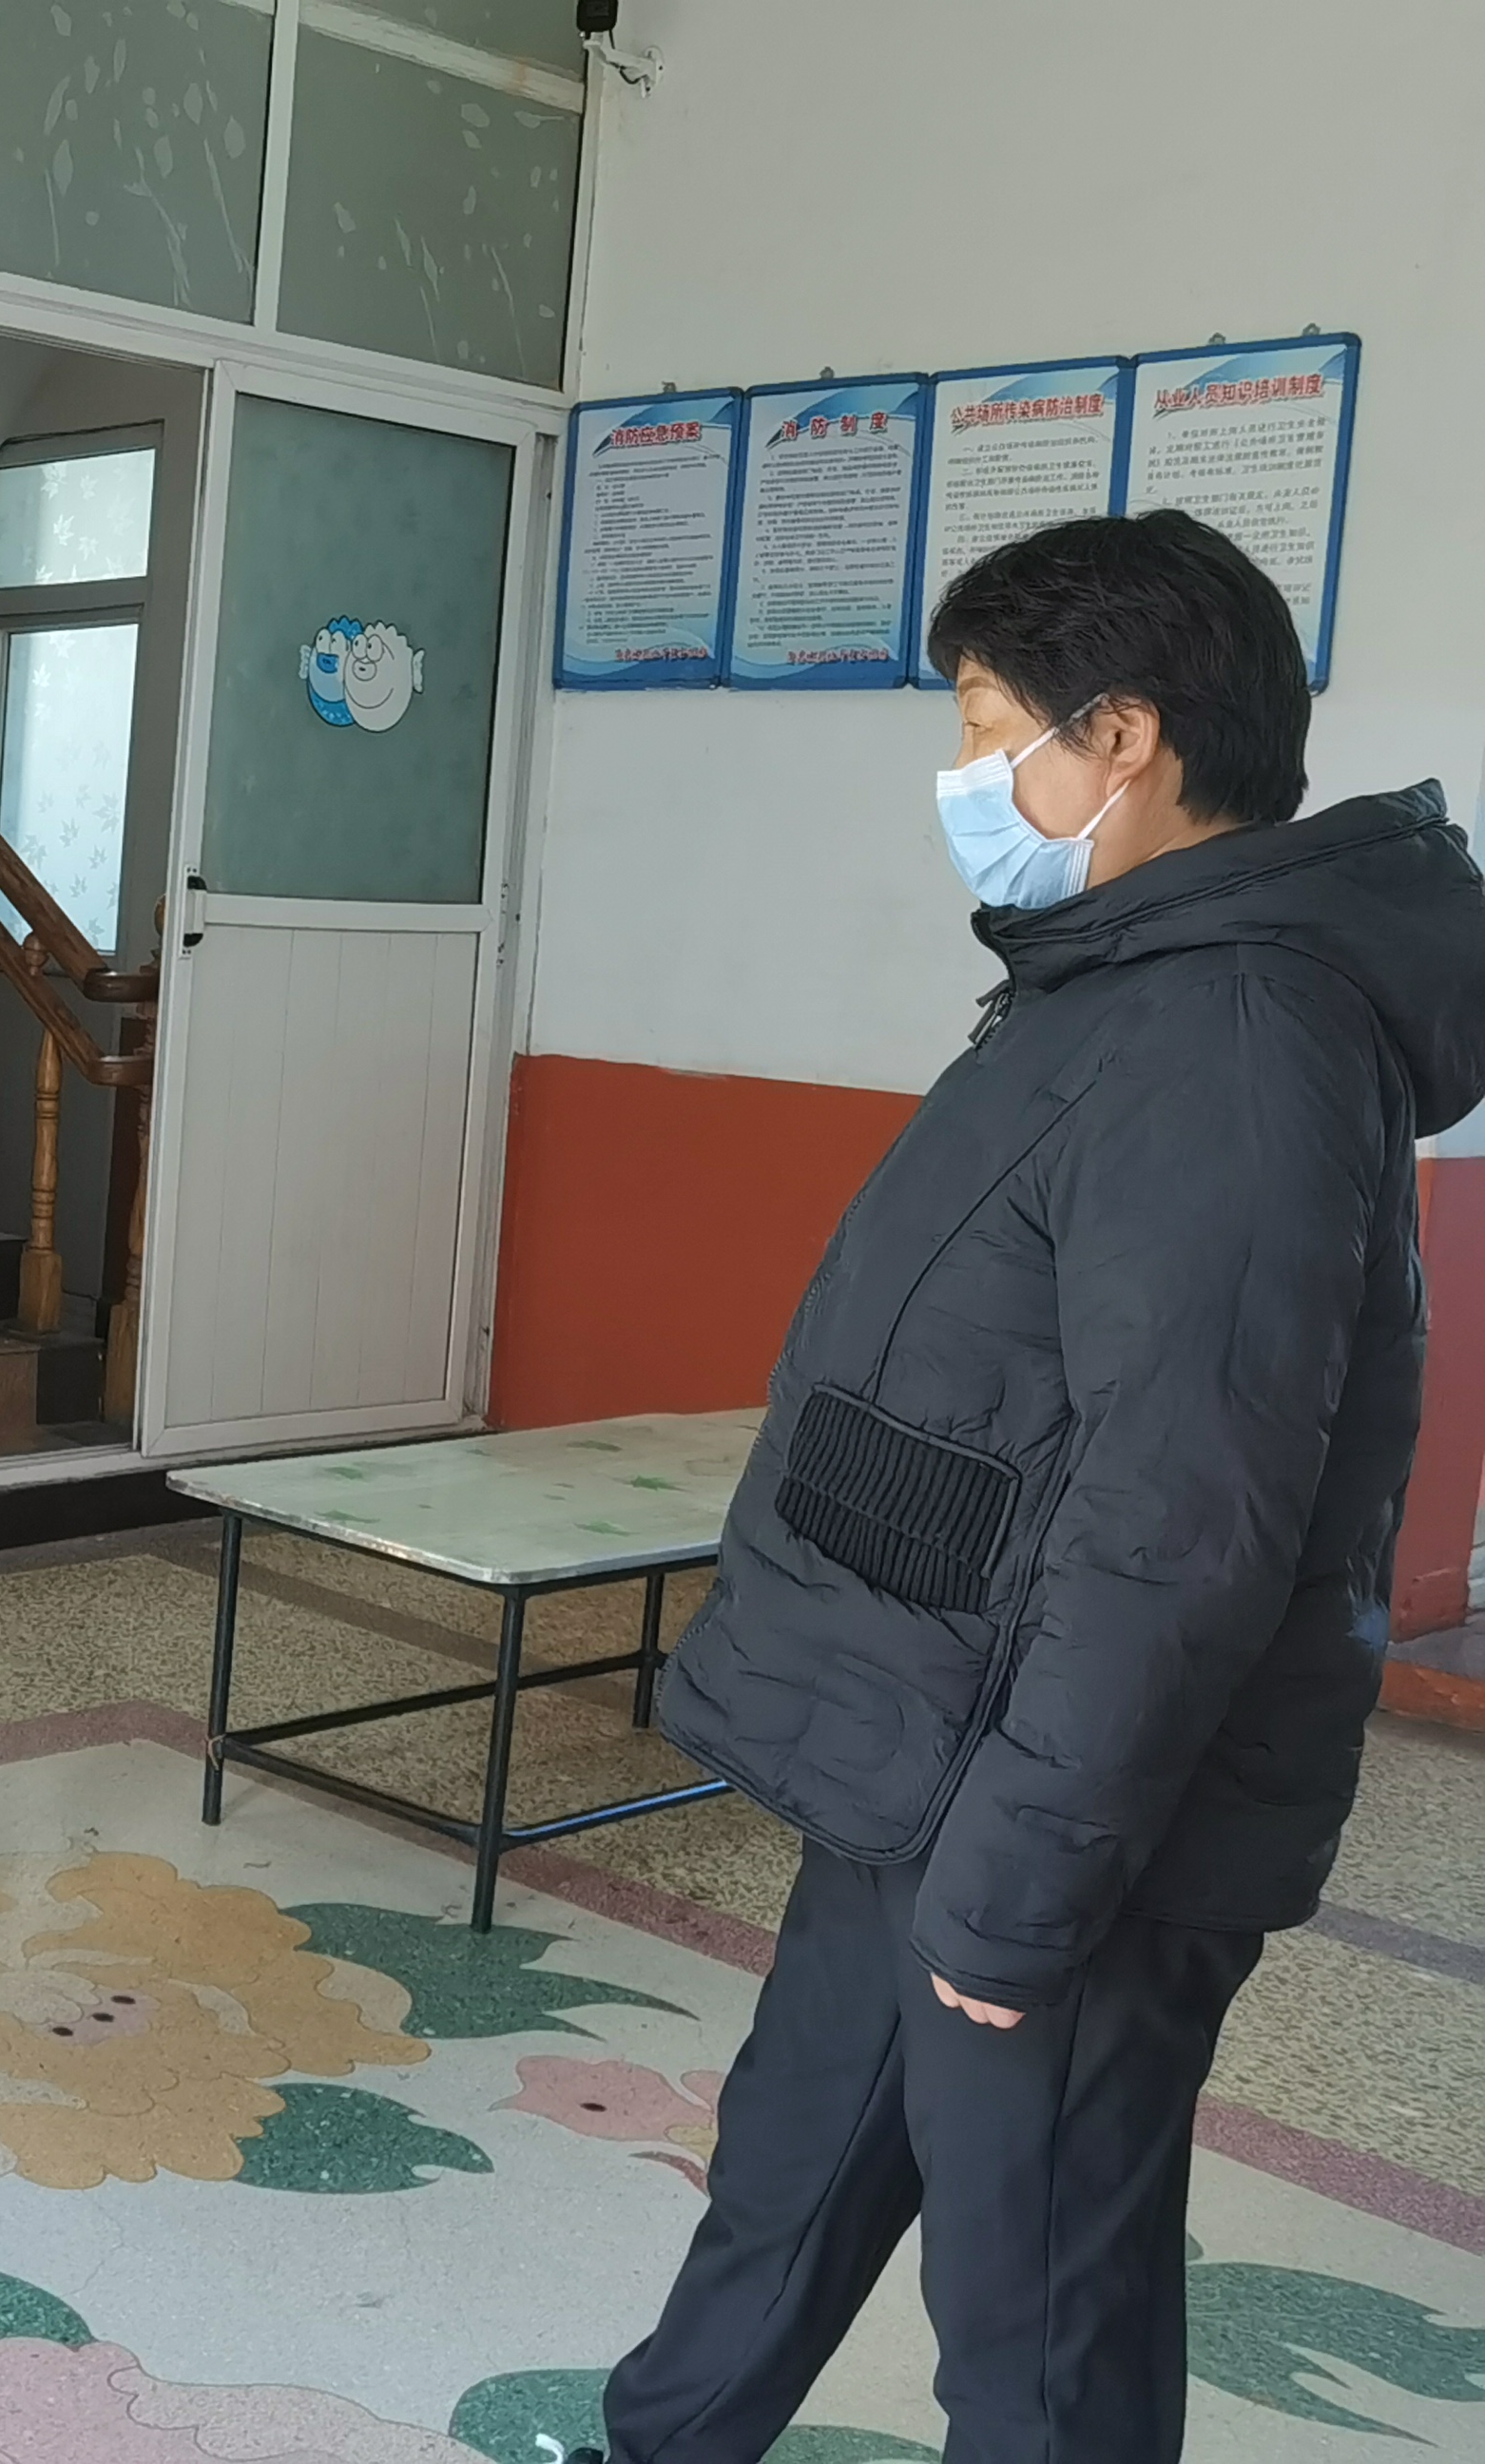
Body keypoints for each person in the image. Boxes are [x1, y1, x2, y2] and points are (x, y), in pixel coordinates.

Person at [573, 510, 1485, 2464]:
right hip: (924, 1752)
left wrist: (1020, 1895)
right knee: (786, 2184)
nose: (968, 775)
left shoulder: (1238, 1029)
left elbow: (1184, 1516)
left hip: (1062, 1819)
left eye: (989, 727)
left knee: (1040, 2322)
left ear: (1122, 735)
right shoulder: (1123, 977)